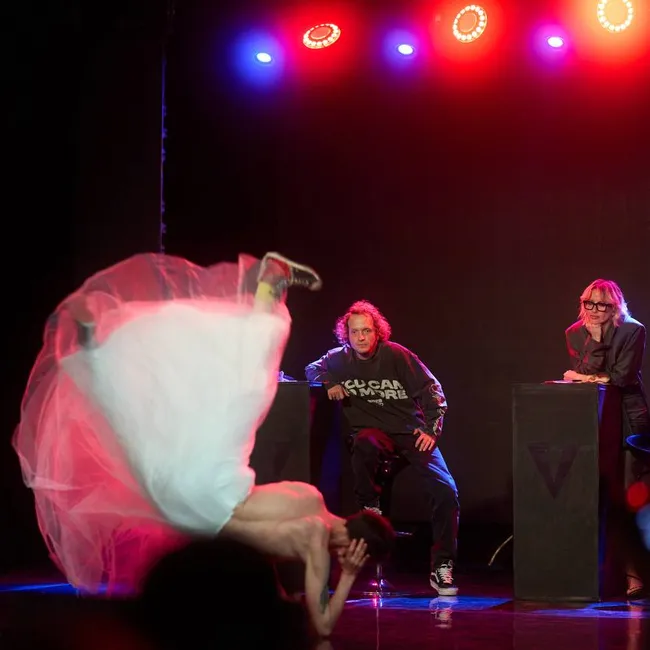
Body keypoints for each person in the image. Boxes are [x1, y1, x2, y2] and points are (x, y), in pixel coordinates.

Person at [13, 251, 394, 638]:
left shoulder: (310, 499)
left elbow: (260, 554)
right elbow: (322, 627)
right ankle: (93, 355)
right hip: (196, 506)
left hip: (212, 491)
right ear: (357, 550)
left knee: (237, 384)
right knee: (138, 441)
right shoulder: (315, 537)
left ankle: (98, 350)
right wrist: (348, 575)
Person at [304, 300, 459, 596]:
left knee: (446, 491)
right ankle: (370, 505)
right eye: (354, 332)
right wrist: (327, 382)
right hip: (373, 435)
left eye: (366, 331)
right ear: (346, 335)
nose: (360, 337)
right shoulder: (338, 359)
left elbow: (432, 390)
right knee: (363, 441)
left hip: (410, 433)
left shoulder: (397, 355)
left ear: (377, 332)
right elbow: (311, 368)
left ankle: (442, 565)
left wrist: (431, 429)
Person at [564, 278, 650, 598]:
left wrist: (584, 375)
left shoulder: (633, 330)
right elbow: (589, 374)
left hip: (628, 417)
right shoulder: (575, 333)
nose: (595, 310)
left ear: (616, 307)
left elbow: (621, 377)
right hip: (594, 417)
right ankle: (597, 571)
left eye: (603, 305)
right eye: (590, 303)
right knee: (595, 490)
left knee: (627, 492)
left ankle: (635, 575)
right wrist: (595, 342)